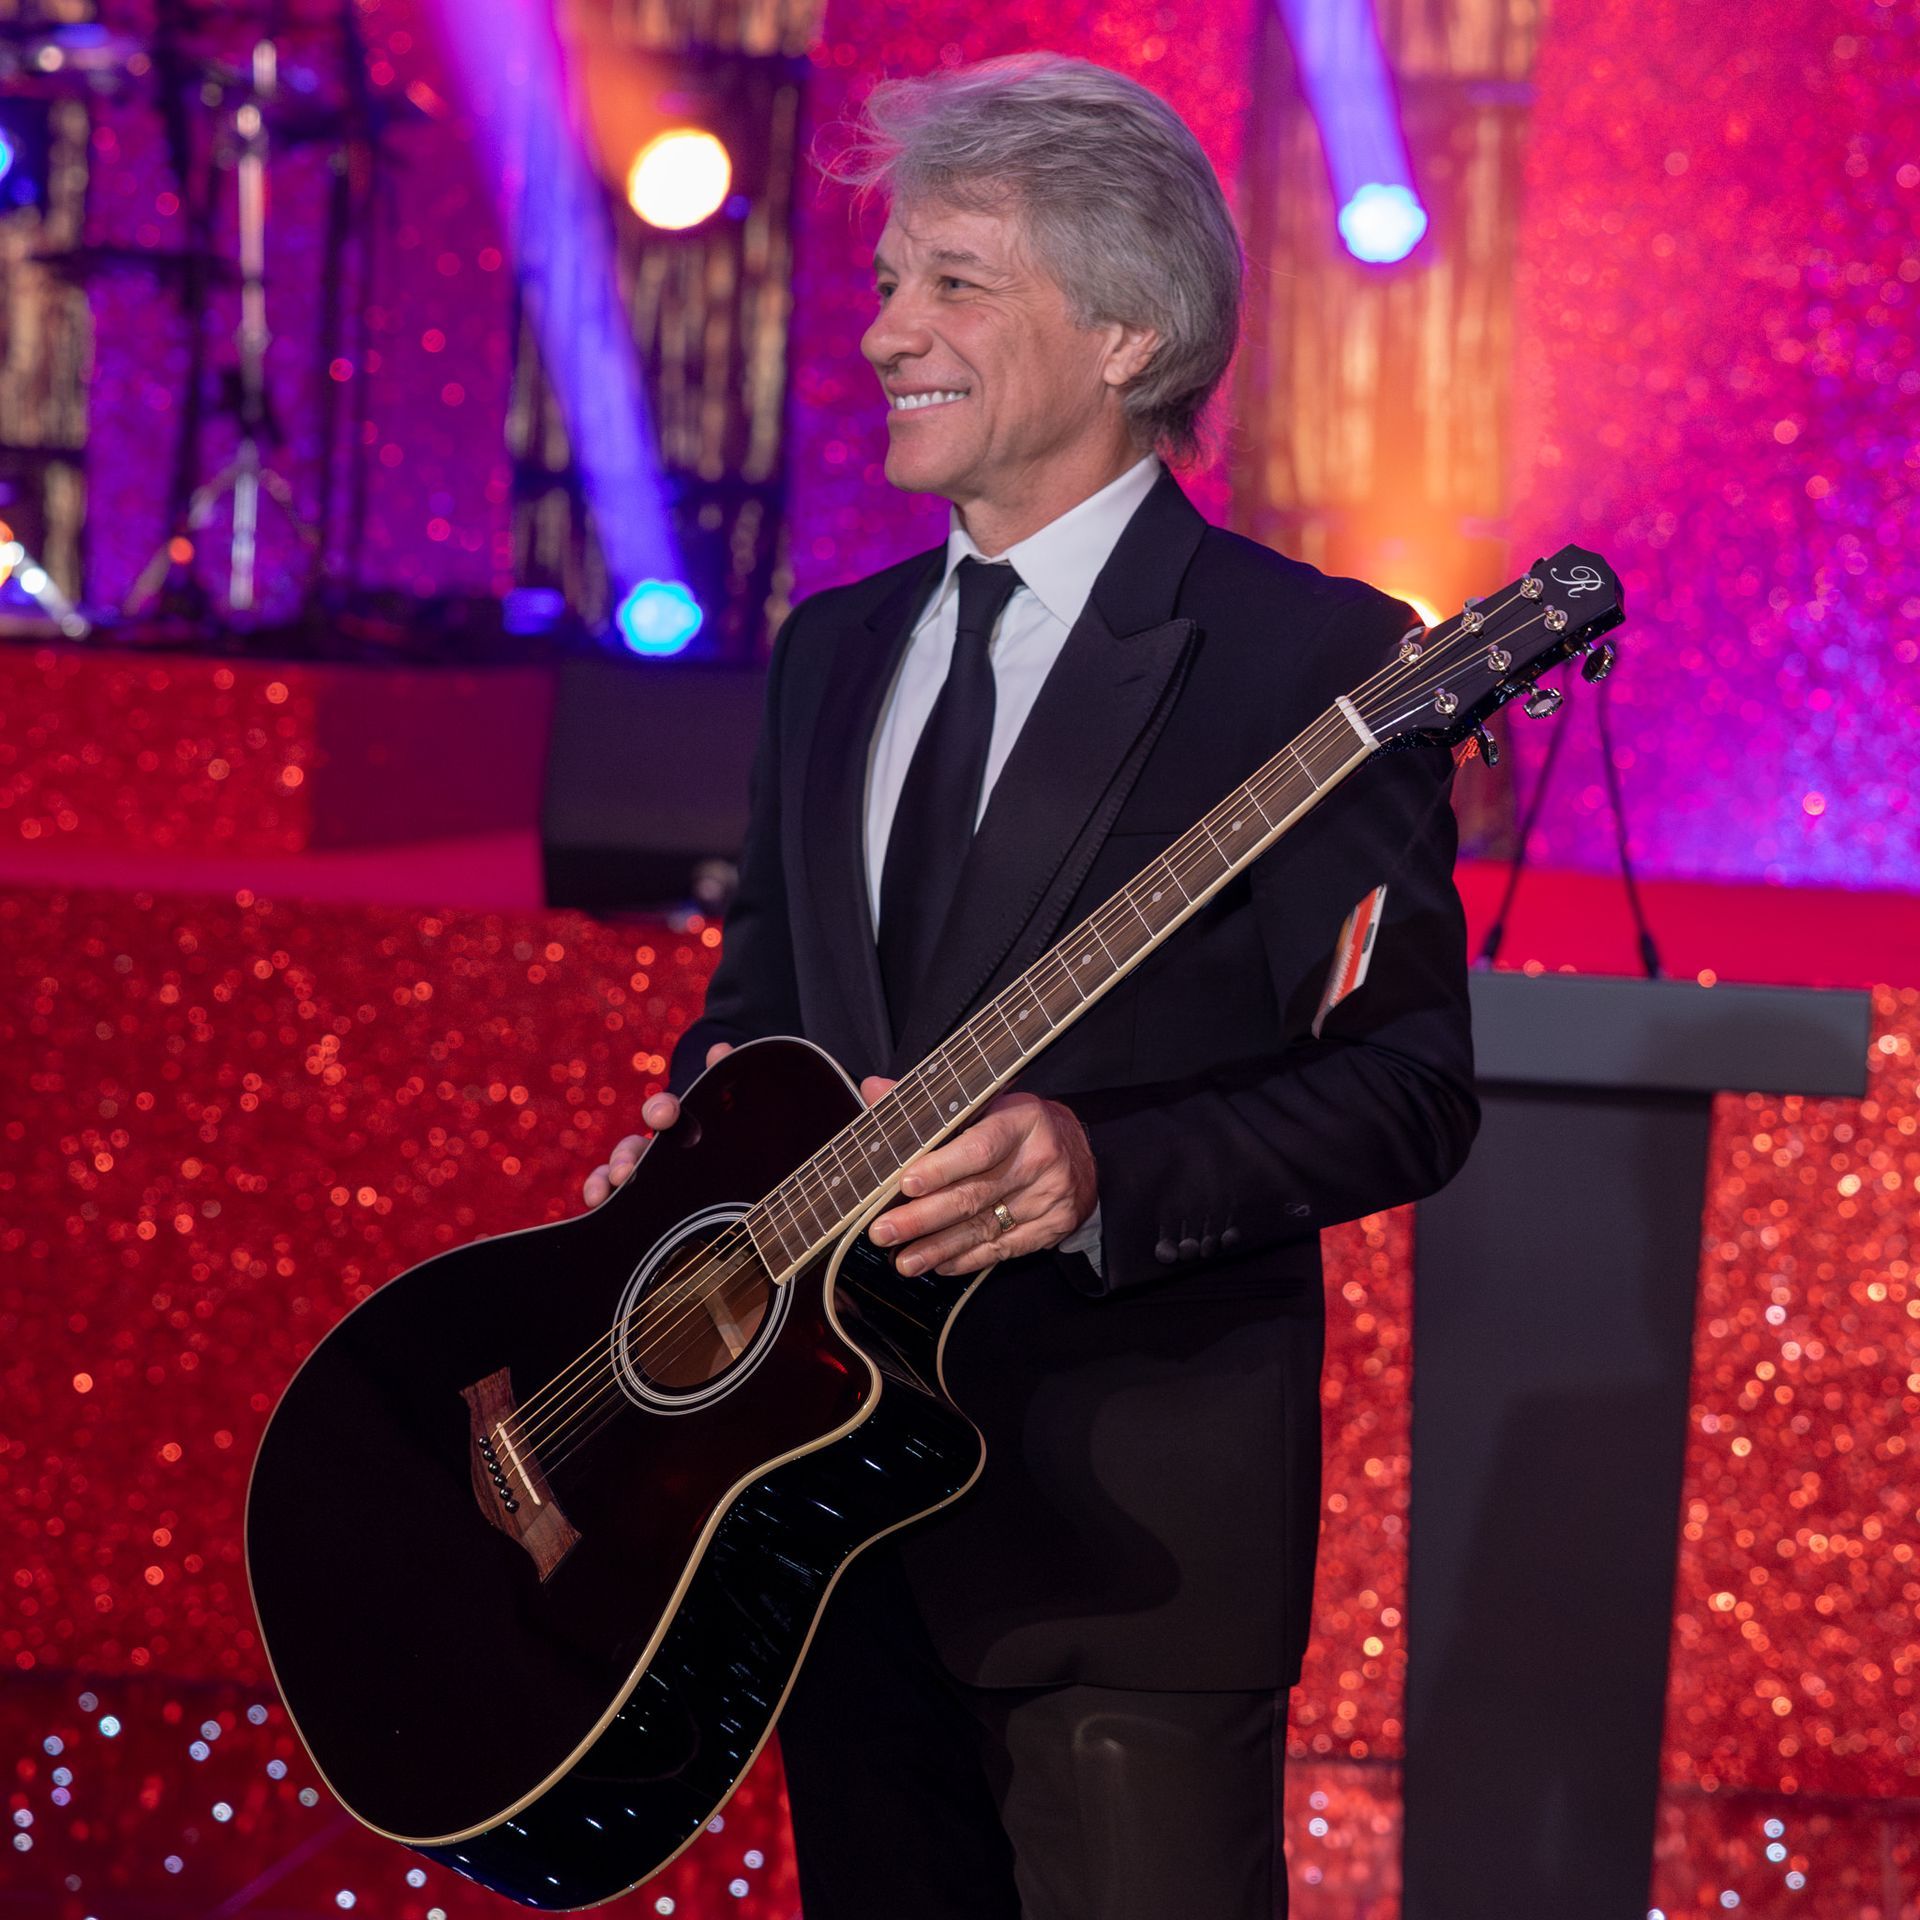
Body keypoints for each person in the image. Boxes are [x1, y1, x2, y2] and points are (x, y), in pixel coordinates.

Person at [581, 52, 1477, 1920]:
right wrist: (698, 1155)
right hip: (819, 1525)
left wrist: (1096, 1169)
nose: (889, 328)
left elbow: (1409, 1085)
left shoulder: (1311, 661)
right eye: (891, 278)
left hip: (1123, 1546)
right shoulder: (831, 653)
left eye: (954, 281)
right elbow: (765, 1013)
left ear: (1134, 334)